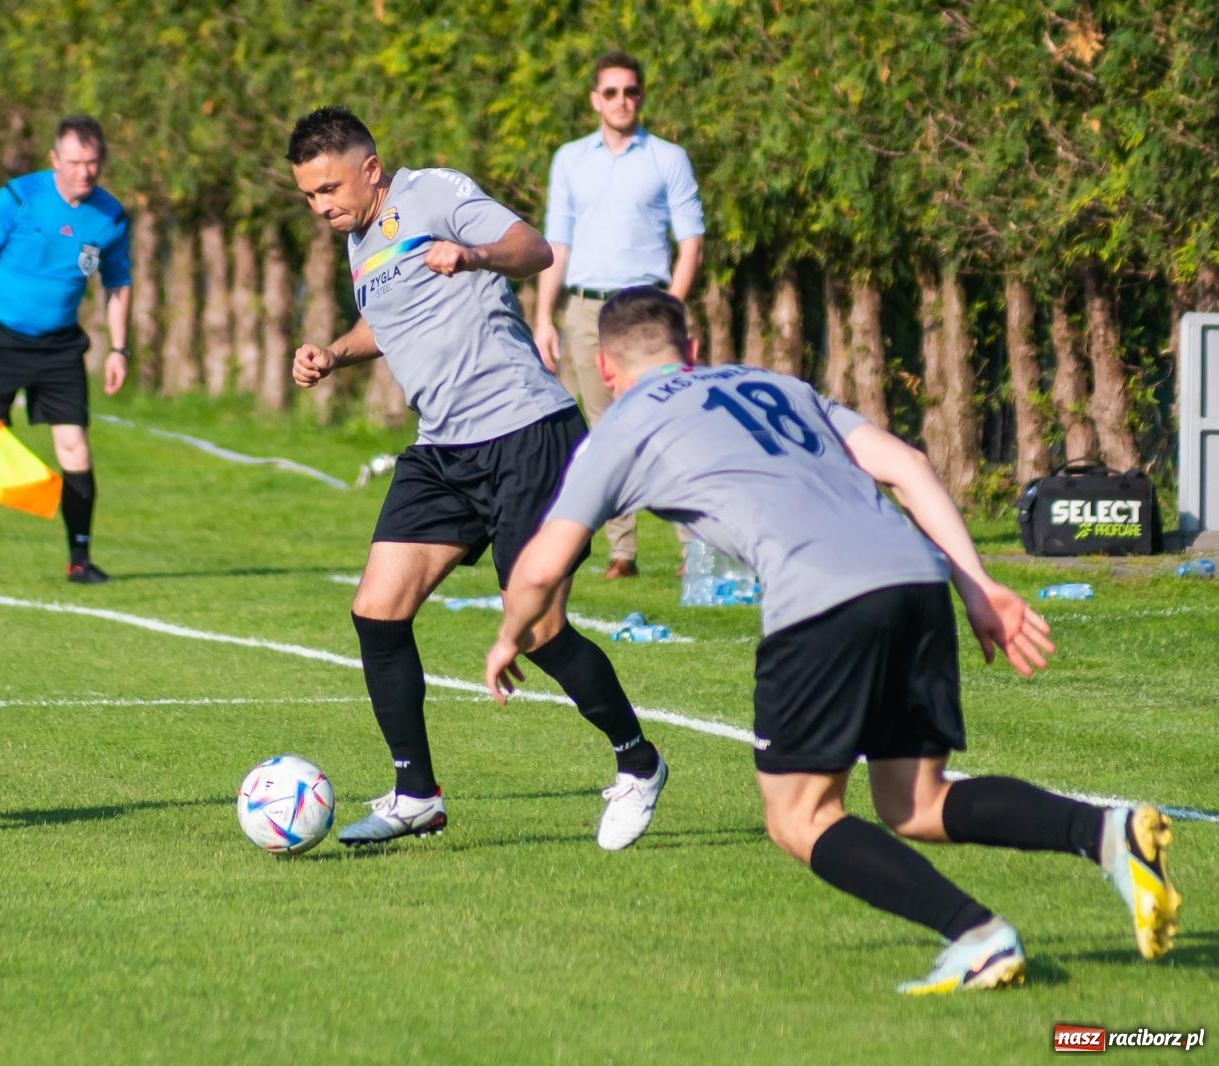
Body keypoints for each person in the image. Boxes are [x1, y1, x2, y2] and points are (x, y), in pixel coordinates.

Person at [487, 287, 1182, 992]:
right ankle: (1106, 832)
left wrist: (510, 636)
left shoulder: (620, 428)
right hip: (916, 576)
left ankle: (980, 938)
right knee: (916, 803)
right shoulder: (774, 386)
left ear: (606, 368)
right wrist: (976, 586)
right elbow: (908, 464)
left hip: (823, 595)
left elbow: (541, 565)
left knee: (799, 818)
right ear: (691, 350)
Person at [286, 106, 668, 849]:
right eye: (308, 195)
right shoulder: (360, 242)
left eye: (329, 188)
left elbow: (533, 249)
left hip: (527, 433)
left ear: (370, 168)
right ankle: (416, 796)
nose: (321, 206)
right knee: (377, 611)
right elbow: (387, 323)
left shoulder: (433, 192)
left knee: (539, 631)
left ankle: (639, 762)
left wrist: (474, 255)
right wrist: (333, 353)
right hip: (444, 449)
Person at [534, 51, 705, 580]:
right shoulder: (569, 159)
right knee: (603, 429)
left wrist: (672, 306)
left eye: (630, 91)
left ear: (641, 97)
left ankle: (694, 548)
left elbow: (691, 241)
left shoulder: (668, 157)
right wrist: (543, 317)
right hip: (586, 307)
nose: (621, 101)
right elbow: (556, 243)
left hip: (649, 304)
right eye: (611, 92)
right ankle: (622, 552)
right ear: (595, 99)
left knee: (670, 421)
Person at [0, 114, 131, 585]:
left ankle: (79, 560)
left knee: (75, 447)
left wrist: (119, 349)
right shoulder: (17, 198)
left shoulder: (110, 216)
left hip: (60, 348)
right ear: (54, 159)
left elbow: (118, 283)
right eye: (75, 162)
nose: (85, 172)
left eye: (92, 162)